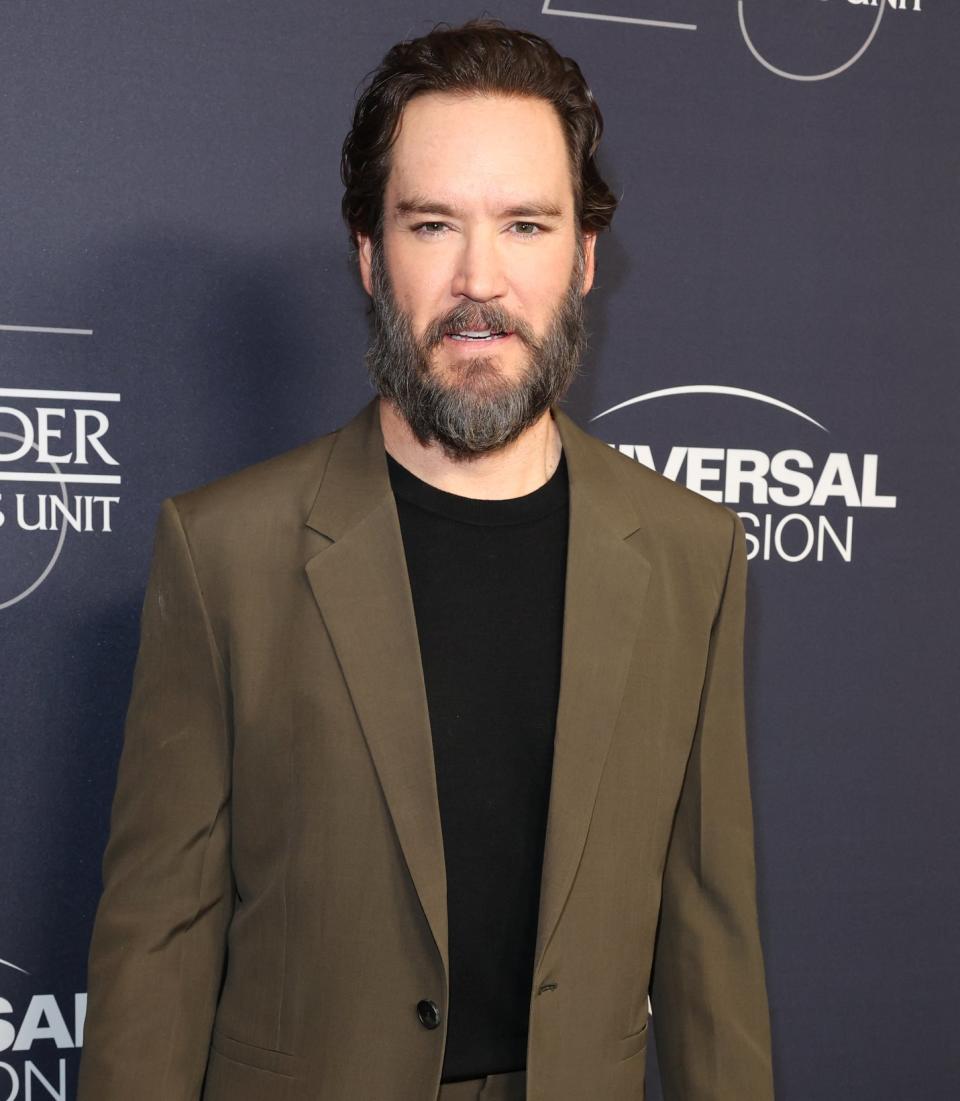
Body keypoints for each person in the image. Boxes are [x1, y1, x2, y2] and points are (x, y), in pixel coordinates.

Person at [77, 18, 775, 1101]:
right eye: (433, 223)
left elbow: (710, 947)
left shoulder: (693, 553)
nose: (479, 280)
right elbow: (155, 948)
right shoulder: (224, 555)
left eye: (528, 225)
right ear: (370, 250)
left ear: (585, 258)